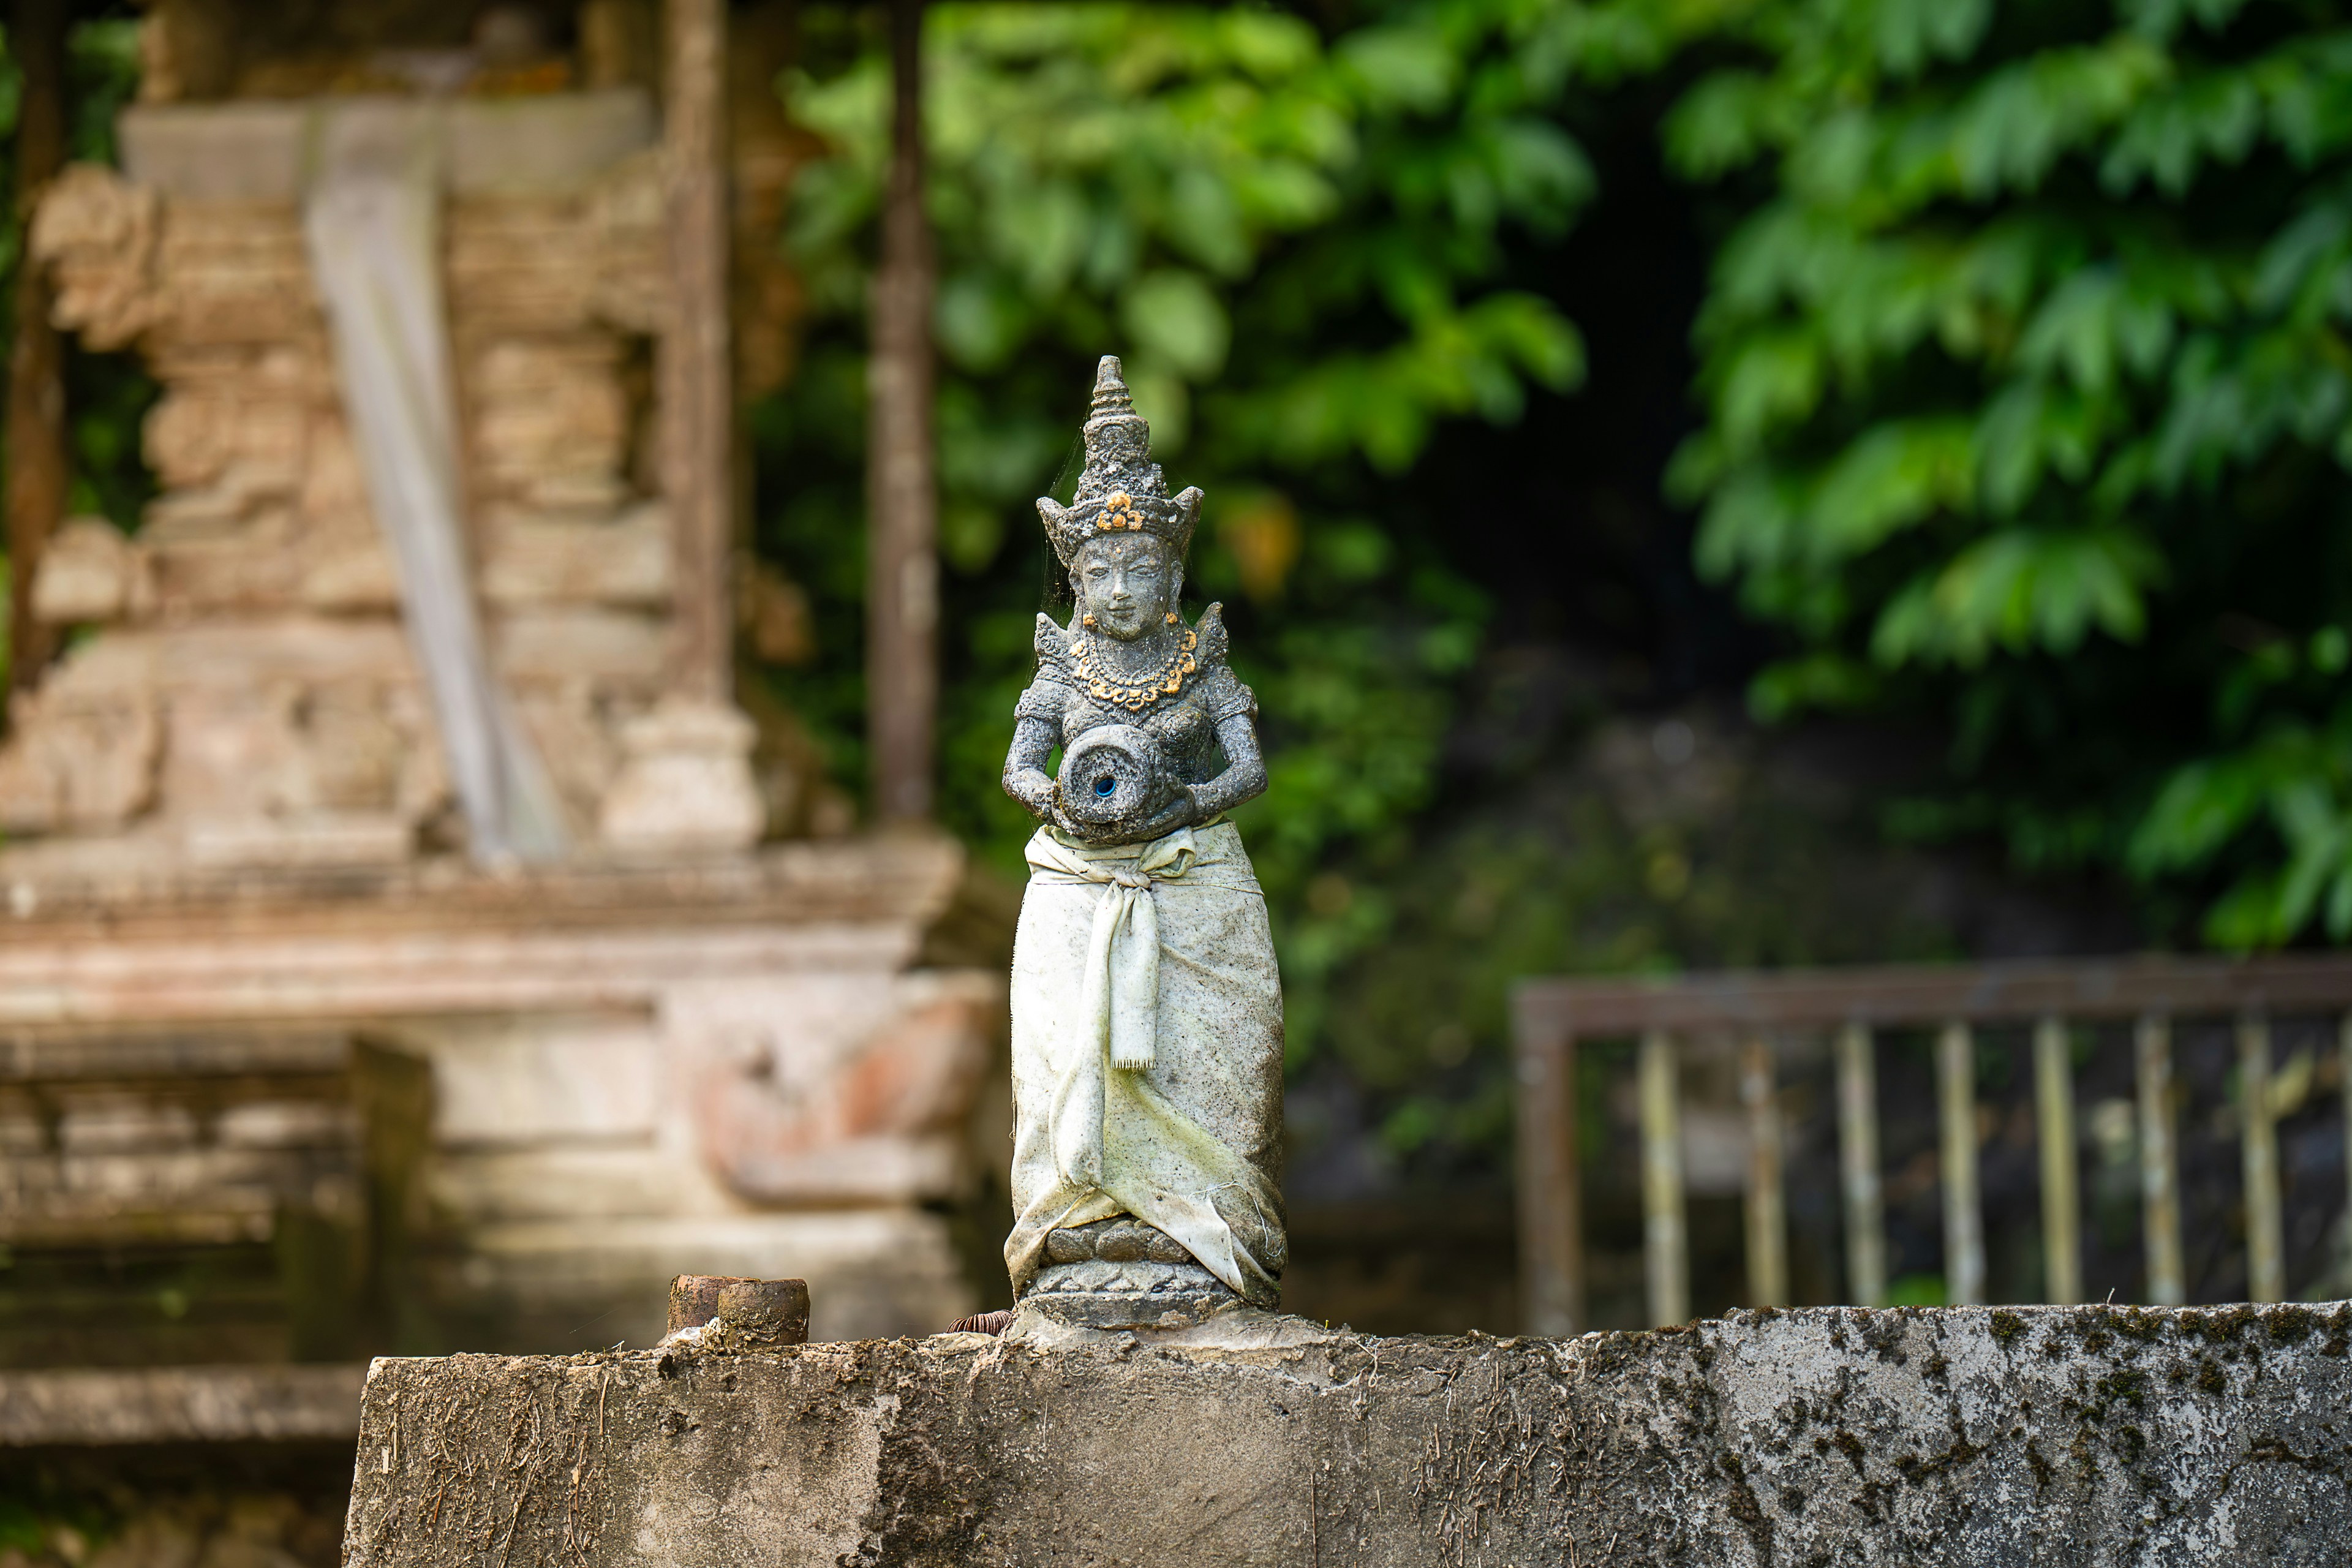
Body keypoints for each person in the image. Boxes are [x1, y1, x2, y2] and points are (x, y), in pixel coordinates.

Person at [998, 357, 1286, 1316]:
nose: (1122, 589)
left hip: (1192, 876)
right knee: (1062, 1050)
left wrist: (1185, 808)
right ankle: (1081, 1214)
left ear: (1173, 572)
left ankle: (1205, 1215)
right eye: (1102, 570)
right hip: (1079, 880)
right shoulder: (1061, 670)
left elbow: (1248, 772)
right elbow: (1017, 769)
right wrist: (1061, 806)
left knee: (1225, 1042)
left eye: (1143, 568)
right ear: (1076, 579)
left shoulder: (1201, 667)